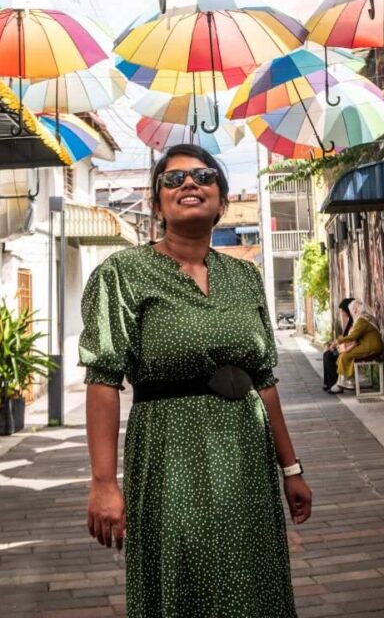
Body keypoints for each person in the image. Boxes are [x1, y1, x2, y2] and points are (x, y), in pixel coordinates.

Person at [79, 144, 312, 618]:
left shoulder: (245, 277)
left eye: (204, 176)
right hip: (171, 452)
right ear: (156, 203)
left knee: (252, 572)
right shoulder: (123, 274)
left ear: (222, 202)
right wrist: (103, 482)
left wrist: (291, 470)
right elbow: (103, 379)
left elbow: (264, 379)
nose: (190, 184)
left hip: (246, 453)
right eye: (174, 179)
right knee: (184, 570)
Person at [329, 299, 384, 394]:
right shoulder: (367, 317)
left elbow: (354, 336)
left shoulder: (362, 320)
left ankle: (346, 383)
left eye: (354, 309)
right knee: (344, 355)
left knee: (345, 355)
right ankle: (345, 382)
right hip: (371, 345)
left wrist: (338, 341)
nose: (353, 312)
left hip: (371, 347)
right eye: (352, 310)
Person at [322, 297, 354, 391]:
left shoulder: (354, 322)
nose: (342, 313)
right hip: (344, 346)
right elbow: (344, 336)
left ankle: (335, 384)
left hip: (349, 348)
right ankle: (328, 383)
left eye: (343, 311)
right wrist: (333, 344)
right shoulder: (349, 321)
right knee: (326, 354)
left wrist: (336, 345)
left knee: (329, 356)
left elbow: (350, 338)